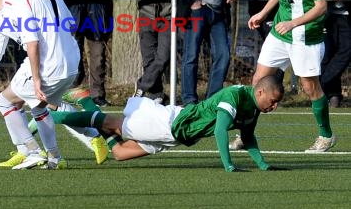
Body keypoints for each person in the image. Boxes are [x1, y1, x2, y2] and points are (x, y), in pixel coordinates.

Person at [0, 0, 108, 168]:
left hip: (48, 62)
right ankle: (56, 157)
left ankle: (32, 151)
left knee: (5, 100)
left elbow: (34, 42)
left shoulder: (19, 1)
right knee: (40, 108)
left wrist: (37, 77)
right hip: (61, 60)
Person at [51, 75, 285, 172]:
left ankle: (85, 100)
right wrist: (228, 165)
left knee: (120, 153)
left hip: (176, 137)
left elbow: (248, 137)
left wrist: (262, 164)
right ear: (261, 91)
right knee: (112, 123)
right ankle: (53, 117)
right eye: (273, 102)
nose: (273, 107)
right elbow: (220, 129)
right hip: (169, 124)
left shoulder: (254, 108)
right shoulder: (234, 96)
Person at [248, 0, 335, 152]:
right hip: (279, 31)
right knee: (258, 81)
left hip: (305, 36)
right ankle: (246, 133)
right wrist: (264, 12)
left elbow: (321, 6)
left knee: (310, 88)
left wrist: (294, 23)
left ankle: (326, 136)